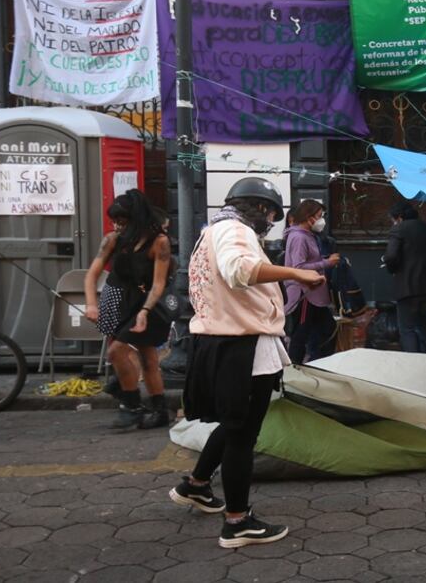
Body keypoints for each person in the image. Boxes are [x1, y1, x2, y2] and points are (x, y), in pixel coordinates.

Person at [168, 177, 325, 548]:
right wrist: (295, 272)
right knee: (243, 435)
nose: (270, 220)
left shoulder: (215, 230)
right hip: (242, 345)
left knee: (234, 423)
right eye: (270, 212)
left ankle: (197, 484)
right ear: (257, 207)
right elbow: (240, 271)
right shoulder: (234, 230)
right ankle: (237, 522)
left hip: (225, 340)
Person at [84, 189, 173, 429]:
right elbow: (92, 274)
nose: (117, 226)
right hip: (116, 298)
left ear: (136, 219)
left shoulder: (160, 242)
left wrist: (144, 312)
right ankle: (158, 409)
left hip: (145, 303)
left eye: (122, 221)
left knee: (118, 352)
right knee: (145, 358)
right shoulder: (113, 239)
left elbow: (158, 284)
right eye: (115, 221)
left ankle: (132, 406)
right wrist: (92, 304)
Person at [282, 199, 340, 363]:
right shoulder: (299, 237)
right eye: (319, 216)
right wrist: (326, 263)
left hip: (314, 292)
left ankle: (317, 363)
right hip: (305, 293)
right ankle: (295, 366)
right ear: (309, 217)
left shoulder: (307, 235)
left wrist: (325, 260)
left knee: (325, 328)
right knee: (302, 332)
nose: (322, 220)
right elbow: (299, 266)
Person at [383, 201, 426, 353]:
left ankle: (412, 363)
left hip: (408, 287)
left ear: (398, 217)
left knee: (407, 328)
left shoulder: (399, 229)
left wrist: (393, 268)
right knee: (424, 323)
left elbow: (390, 256)